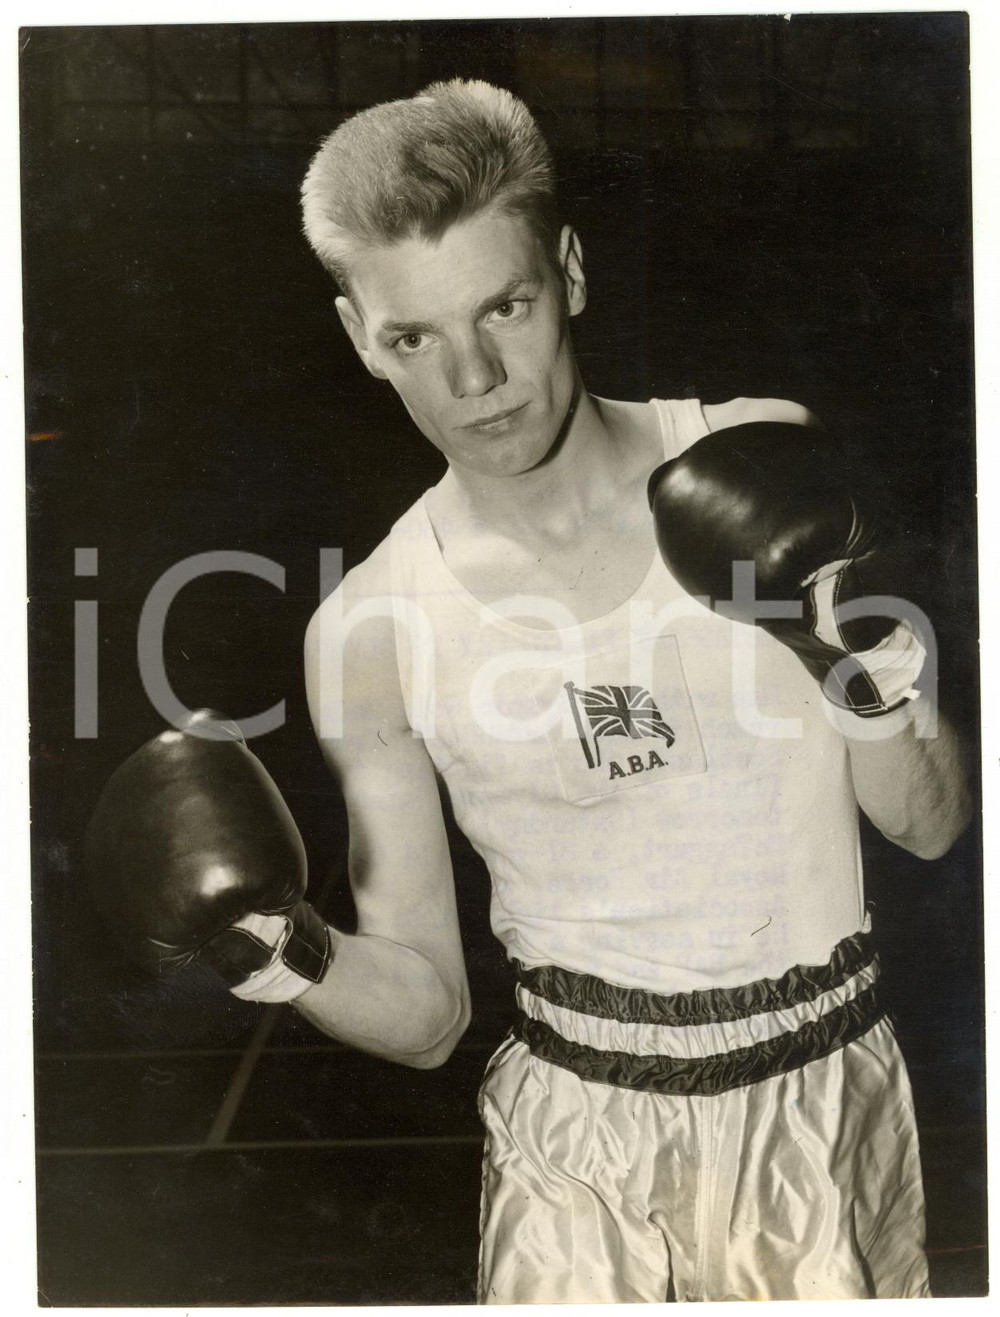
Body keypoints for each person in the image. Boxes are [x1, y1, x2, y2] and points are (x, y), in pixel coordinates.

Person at [87, 79, 971, 1302]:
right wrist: (272, 953)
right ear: (359, 337)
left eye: (503, 306)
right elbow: (429, 1016)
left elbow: (928, 824)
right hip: (573, 1158)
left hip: (822, 1111)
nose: (475, 378)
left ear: (569, 272)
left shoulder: (757, 450)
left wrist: (842, 656)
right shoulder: (370, 633)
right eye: (413, 338)